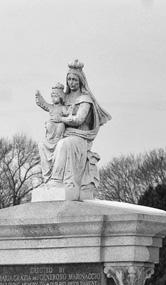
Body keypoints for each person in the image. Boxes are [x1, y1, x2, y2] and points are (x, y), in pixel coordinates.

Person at [50, 59, 112, 200]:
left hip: (80, 137)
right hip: (64, 134)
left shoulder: (85, 99)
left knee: (63, 144)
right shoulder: (64, 98)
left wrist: (62, 119)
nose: (71, 83)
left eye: (74, 79)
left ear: (81, 81)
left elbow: (79, 120)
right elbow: (52, 108)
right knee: (49, 145)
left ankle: (57, 180)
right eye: (69, 79)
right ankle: (54, 181)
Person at [35, 82, 69, 180]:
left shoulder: (63, 108)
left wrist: (71, 110)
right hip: (51, 127)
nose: (53, 98)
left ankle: (57, 140)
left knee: (61, 126)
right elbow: (43, 104)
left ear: (61, 97)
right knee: (48, 124)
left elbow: (68, 114)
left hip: (59, 125)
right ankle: (50, 140)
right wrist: (38, 96)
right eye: (52, 96)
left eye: (55, 96)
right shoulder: (51, 107)